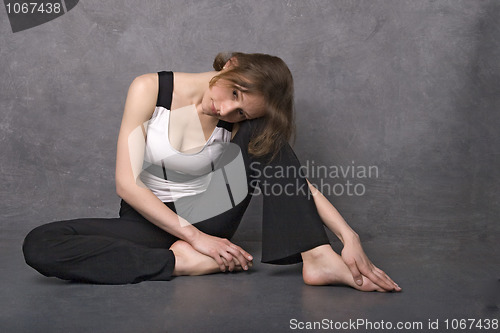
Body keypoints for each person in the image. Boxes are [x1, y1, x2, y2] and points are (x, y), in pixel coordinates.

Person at [22, 52, 401, 292]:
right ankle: (177, 263)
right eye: (234, 95)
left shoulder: (243, 124)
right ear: (231, 64)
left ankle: (317, 256)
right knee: (40, 242)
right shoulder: (149, 89)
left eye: (240, 112)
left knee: (263, 134)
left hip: (208, 214)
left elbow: (294, 181)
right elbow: (126, 182)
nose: (227, 112)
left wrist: (346, 235)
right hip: (148, 219)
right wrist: (193, 242)